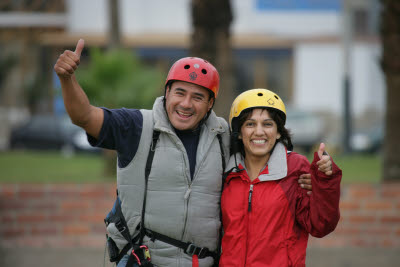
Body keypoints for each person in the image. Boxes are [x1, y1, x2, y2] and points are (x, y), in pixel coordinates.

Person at [54, 39, 316, 267]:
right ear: (166, 92)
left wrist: (304, 175)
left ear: (211, 103)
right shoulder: (136, 126)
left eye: (198, 97)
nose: (186, 104)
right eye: (179, 93)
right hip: (143, 261)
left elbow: (264, 149)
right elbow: (84, 116)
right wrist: (67, 78)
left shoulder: (223, 135)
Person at [219, 88, 342, 266]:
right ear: (239, 132)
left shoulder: (295, 168)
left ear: (278, 132)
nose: (259, 132)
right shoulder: (226, 174)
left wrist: (325, 181)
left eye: (267, 124)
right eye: (250, 124)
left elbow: (321, 225)